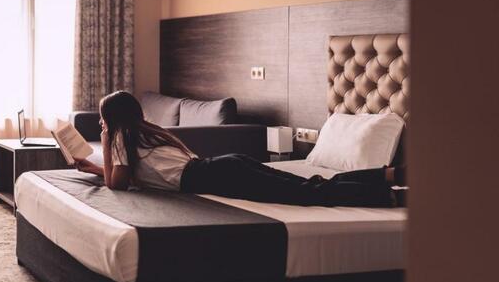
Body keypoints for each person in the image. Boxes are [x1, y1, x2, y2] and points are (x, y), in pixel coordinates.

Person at [74, 91, 406, 207]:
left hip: (215, 175)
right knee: (313, 186)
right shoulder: (143, 133)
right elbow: (123, 175)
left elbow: (118, 184)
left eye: (103, 119)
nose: (101, 123)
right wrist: (94, 169)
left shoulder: (121, 137)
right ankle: (390, 176)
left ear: (112, 120)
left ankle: (392, 196)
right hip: (222, 167)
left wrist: (106, 141)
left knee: (312, 193)